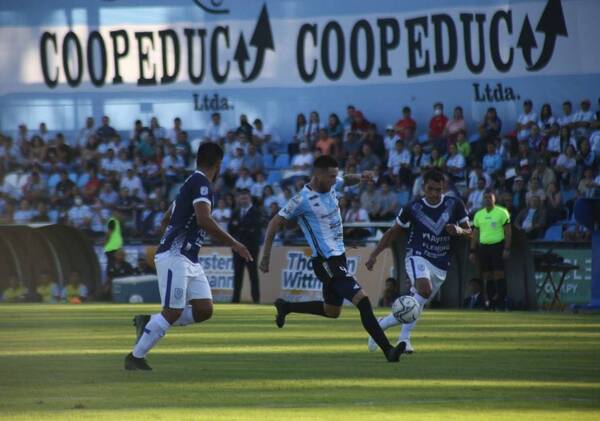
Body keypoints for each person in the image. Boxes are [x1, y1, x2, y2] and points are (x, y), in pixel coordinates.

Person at [259, 156, 405, 362]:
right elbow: (274, 223)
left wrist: (362, 177)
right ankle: (388, 350)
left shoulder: (332, 183)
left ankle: (287, 306)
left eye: (335, 176)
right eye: (330, 176)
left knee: (332, 311)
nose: (334, 180)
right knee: (363, 302)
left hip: (339, 258)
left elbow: (348, 179)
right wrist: (266, 256)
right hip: (326, 262)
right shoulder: (302, 200)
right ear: (317, 175)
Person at [125, 142, 252, 371]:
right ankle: (135, 357)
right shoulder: (202, 183)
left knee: (204, 310)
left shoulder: (188, 184)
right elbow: (203, 219)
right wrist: (234, 243)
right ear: (219, 164)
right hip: (176, 256)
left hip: (188, 257)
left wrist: (175, 232)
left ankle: (150, 322)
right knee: (173, 310)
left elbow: (166, 218)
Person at [365, 168, 471, 353]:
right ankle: (404, 339)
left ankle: (382, 325)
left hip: (441, 263)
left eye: (438, 190)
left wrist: (460, 231)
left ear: (443, 187)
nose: (434, 194)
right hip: (417, 255)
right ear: (424, 188)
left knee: (418, 300)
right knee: (424, 290)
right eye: (430, 189)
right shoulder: (413, 208)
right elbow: (392, 232)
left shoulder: (455, 204)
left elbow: (471, 233)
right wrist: (375, 254)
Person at [470, 190, 511, 310]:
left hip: (497, 246)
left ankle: (502, 303)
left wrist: (507, 248)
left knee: (499, 274)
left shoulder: (502, 212)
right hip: (483, 247)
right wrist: (472, 250)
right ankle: (491, 303)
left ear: (495, 199)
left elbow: (508, 231)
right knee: (486, 275)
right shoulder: (479, 214)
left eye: (490, 197)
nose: (487, 199)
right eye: (485, 197)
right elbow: (475, 233)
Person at [228, 189, 262, 303]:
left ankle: (256, 300)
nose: (243, 200)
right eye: (241, 198)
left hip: (251, 249)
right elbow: (230, 229)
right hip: (237, 249)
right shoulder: (235, 212)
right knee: (237, 275)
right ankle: (235, 300)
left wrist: (240, 227)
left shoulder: (256, 212)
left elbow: (254, 229)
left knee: (253, 274)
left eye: (245, 198)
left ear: (250, 198)